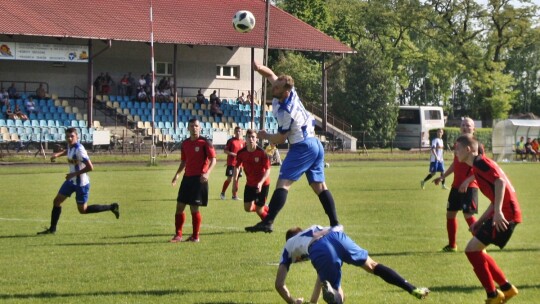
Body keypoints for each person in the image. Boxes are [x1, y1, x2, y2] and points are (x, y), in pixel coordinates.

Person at [245, 61, 339, 233]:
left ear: (285, 91)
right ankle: (335, 223)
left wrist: (265, 136)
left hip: (302, 147)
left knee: (283, 184)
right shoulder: (289, 92)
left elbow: (281, 138)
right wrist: (259, 68)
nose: (274, 88)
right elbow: (270, 74)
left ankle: (268, 222)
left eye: (277, 88)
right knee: (320, 186)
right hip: (315, 144)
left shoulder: (286, 111)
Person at [276, 224, 430, 304]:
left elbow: (279, 284)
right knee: (372, 265)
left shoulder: (289, 246)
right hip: (336, 236)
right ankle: (412, 288)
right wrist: (312, 302)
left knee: (338, 296)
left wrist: (291, 302)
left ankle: (334, 294)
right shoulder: (311, 229)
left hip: (319, 248)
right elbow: (320, 276)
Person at [454, 135, 521, 304]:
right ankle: (506, 289)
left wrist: (498, 212)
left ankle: (494, 295)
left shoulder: (481, 163)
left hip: (507, 215)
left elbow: (500, 183)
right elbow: (494, 197)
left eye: (457, 148)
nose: (455, 152)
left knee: (472, 250)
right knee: (476, 250)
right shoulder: (478, 166)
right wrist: (480, 221)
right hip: (503, 213)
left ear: (468, 149)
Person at [37, 128, 120, 235]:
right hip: (71, 181)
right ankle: (52, 229)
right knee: (57, 201)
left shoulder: (80, 150)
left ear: (77, 137)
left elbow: (90, 167)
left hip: (81, 184)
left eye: (72, 136)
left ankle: (111, 207)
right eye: (67, 136)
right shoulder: (70, 146)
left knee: (83, 210)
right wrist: (57, 155)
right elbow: (68, 150)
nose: (69, 138)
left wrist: (74, 174)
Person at [433, 118, 480, 252]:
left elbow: (480, 169)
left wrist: (467, 181)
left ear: (473, 128)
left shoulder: (477, 146)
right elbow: (456, 164)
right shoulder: (458, 144)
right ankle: (452, 245)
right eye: (463, 125)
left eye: (468, 125)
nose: (465, 127)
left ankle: (481, 245)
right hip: (456, 186)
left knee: (468, 216)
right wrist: (443, 176)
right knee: (450, 214)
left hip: (469, 187)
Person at [170, 118, 217, 243]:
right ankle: (178, 235)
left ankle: (195, 236)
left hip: (199, 179)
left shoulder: (205, 142)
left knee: (194, 208)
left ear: (200, 128)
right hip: (187, 178)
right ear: (188, 128)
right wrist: (177, 175)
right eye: (191, 126)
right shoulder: (185, 143)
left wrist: (207, 173)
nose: (194, 128)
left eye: (196, 126)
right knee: (179, 206)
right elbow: (184, 161)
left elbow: (213, 160)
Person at [233, 129, 271, 220]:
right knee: (247, 208)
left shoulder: (262, 152)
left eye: (253, 137)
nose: (251, 139)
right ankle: (267, 209)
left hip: (262, 184)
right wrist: (234, 182)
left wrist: (261, 183)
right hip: (250, 183)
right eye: (249, 137)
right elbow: (237, 167)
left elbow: (268, 169)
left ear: (256, 139)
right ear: (245, 138)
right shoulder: (241, 153)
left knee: (259, 210)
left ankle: (268, 223)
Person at [220, 126, 245, 200]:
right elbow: (225, 151)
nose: (238, 133)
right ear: (234, 132)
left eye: (239, 131)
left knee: (236, 179)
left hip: (239, 164)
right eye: (237, 131)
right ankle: (223, 193)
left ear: (241, 132)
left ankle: (234, 195)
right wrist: (234, 154)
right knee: (229, 179)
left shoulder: (243, 142)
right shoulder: (230, 141)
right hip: (232, 163)